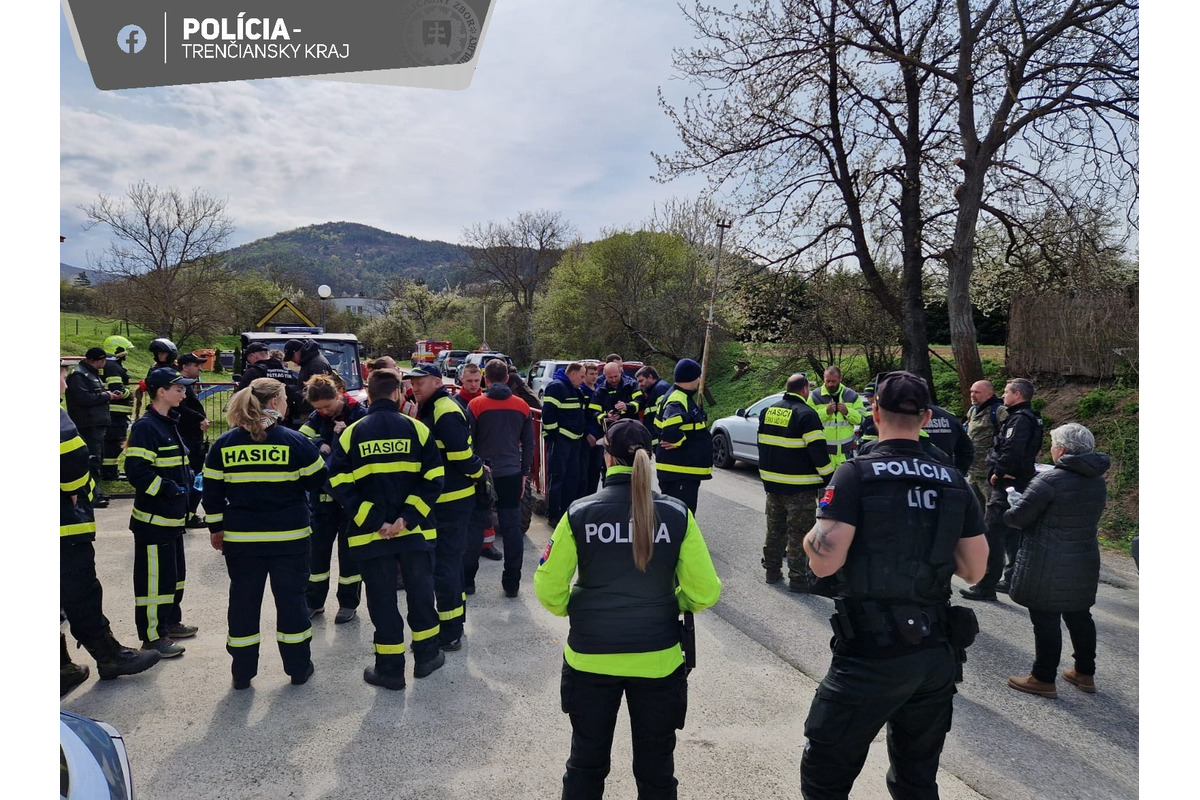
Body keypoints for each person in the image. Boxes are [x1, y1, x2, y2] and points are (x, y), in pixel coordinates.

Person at [799, 371, 988, 800]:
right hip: (934, 654)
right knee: (916, 780)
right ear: (924, 418)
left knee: (825, 775)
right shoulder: (952, 479)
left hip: (870, 653)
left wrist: (813, 534)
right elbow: (975, 571)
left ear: (875, 411)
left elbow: (825, 562)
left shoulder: (856, 473)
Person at [534, 419, 723, 800]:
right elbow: (705, 592)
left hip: (590, 658)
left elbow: (549, 589)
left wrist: (579, 609)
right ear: (650, 457)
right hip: (658, 660)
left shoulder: (579, 512)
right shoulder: (677, 514)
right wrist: (673, 603)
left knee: (585, 765)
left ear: (606, 457)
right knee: (656, 770)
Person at [203, 378, 327, 689]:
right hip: (290, 539)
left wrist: (216, 529)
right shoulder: (295, 442)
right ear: (274, 404)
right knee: (291, 603)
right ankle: (298, 668)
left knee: (243, 604)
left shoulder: (225, 444)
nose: (288, 404)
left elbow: (212, 494)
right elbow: (319, 481)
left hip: (242, 542)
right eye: (285, 399)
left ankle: (242, 673)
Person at [327, 368, 447, 689]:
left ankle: (390, 670)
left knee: (381, 599)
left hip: (370, 535)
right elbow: (434, 479)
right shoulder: (418, 430)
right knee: (421, 595)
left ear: (368, 393)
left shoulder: (351, 433)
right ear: (398, 394)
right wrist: (406, 519)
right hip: (415, 533)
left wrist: (374, 520)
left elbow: (338, 482)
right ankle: (426, 658)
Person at [60, 372, 161, 695]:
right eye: (60, 377)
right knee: (81, 592)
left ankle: (62, 666)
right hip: (64, 525)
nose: (65, 385)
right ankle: (110, 656)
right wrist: (75, 489)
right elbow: (72, 456)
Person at [1003, 423, 1110, 699]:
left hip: (1047, 559)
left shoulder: (1049, 481)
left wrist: (1014, 501)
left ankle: (1042, 677)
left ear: (1061, 450)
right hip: (1083, 557)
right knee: (1080, 615)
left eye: (1052, 445)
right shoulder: (1097, 479)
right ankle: (1085, 672)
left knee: (1045, 617)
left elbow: (1018, 519)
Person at [125, 367, 202, 657]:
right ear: (161, 392)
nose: (184, 392)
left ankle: (170, 621)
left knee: (174, 576)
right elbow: (137, 472)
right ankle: (153, 636)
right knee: (154, 581)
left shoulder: (168, 422)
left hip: (171, 518)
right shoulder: (147, 427)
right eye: (179, 388)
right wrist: (172, 489)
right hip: (154, 520)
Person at [410, 364, 485, 644]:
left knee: (445, 565)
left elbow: (461, 456)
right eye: (412, 382)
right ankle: (453, 620)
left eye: (421, 382)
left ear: (437, 382)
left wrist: (480, 474)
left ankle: (451, 630)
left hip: (451, 501)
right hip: (442, 500)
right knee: (446, 564)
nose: (414, 387)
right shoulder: (432, 407)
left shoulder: (444, 410)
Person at [961, 378, 1044, 601]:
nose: (1004, 395)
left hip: (1006, 483)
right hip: (1000, 478)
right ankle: (1010, 578)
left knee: (993, 533)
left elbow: (1012, 448)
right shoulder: (1030, 417)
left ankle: (986, 585)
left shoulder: (1017, 419)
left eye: (1007, 392)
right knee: (1009, 529)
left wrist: (998, 471)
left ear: (1017, 394)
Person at [298, 374, 367, 623]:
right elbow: (302, 438)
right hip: (323, 498)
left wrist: (345, 434)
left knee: (350, 555)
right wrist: (319, 443)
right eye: (318, 408)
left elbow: (364, 448)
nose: (324, 411)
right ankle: (314, 601)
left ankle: (348, 603)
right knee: (317, 553)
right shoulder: (318, 418)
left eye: (328, 405)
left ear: (338, 395)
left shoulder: (359, 414)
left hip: (351, 498)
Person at [757, 373, 834, 591]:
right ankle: (798, 579)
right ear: (804, 390)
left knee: (774, 529)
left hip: (773, 485)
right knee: (799, 533)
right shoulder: (807, 415)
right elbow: (818, 453)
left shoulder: (768, 411)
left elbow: (764, 445)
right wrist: (830, 479)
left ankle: (772, 571)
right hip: (799, 488)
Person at [467, 358, 536, 597]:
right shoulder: (522, 406)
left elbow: (469, 442)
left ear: (486, 379)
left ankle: (468, 581)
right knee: (512, 528)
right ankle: (512, 583)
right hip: (510, 473)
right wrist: (524, 473)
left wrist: (474, 469)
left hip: (482, 473)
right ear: (508, 379)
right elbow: (529, 444)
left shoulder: (475, 405)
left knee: (476, 526)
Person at [655, 358, 713, 514]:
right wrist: (679, 441)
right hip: (680, 472)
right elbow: (669, 429)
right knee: (681, 517)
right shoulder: (678, 399)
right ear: (692, 378)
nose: (700, 380)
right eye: (698, 377)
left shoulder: (678, 396)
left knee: (677, 516)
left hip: (681, 471)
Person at [65, 347, 120, 509]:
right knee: (91, 461)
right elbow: (84, 398)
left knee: (97, 459)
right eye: (103, 361)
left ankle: (96, 490)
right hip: (87, 424)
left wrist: (106, 394)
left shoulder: (91, 373)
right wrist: (107, 395)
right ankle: (91, 495)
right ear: (98, 360)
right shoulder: (79, 375)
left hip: (97, 423)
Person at [543, 362, 589, 526]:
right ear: (573, 373)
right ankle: (553, 515)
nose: (583, 380)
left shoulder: (574, 388)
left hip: (574, 440)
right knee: (557, 478)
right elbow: (548, 415)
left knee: (572, 478)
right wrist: (554, 436)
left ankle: (567, 512)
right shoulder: (557, 387)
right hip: (561, 440)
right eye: (582, 376)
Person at [176, 353, 210, 529]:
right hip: (188, 437)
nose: (200, 369)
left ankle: (190, 514)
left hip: (193, 437)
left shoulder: (186, 385)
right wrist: (199, 418)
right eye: (197, 366)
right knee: (192, 477)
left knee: (195, 477)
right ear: (185, 367)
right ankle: (188, 515)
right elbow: (182, 408)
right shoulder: (180, 386)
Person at [807, 365, 864, 468]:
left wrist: (847, 412)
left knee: (846, 483)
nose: (830, 384)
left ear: (840, 378)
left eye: (833, 381)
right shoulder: (815, 397)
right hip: (824, 453)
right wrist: (825, 412)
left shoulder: (852, 395)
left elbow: (861, 419)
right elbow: (808, 421)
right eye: (827, 381)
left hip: (846, 453)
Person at [964, 380, 1007, 509]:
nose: (972, 395)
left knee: (992, 507)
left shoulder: (999, 411)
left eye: (977, 392)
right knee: (975, 508)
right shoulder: (972, 410)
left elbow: (1009, 440)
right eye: (971, 391)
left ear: (989, 394)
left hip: (988, 473)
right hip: (972, 471)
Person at [101, 335, 135, 481]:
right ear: (118, 350)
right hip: (115, 414)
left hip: (114, 413)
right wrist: (130, 393)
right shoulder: (112, 366)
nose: (126, 353)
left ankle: (110, 470)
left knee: (113, 442)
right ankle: (108, 473)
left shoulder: (109, 365)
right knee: (114, 443)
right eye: (125, 350)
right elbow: (117, 390)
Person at [635, 365, 672, 447]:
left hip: (661, 440)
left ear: (650, 377)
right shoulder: (653, 390)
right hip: (657, 440)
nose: (639, 385)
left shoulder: (660, 389)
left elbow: (666, 414)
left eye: (641, 381)